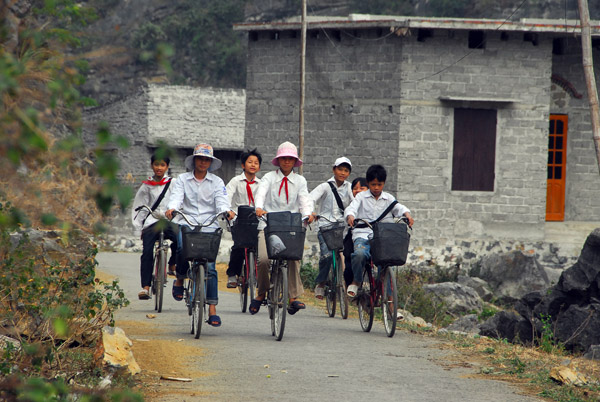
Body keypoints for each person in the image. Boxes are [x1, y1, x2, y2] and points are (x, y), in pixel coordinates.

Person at [165, 143, 233, 328]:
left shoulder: (217, 182)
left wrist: (226, 211)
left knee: (210, 267)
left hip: (209, 225)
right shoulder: (182, 179)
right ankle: (180, 278)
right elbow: (176, 197)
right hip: (186, 222)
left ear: (210, 162)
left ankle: (212, 310)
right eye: (200, 158)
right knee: (180, 247)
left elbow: (221, 200)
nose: (203, 162)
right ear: (194, 160)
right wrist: (172, 208)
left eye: (206, 159)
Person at [251, 141, 315, 315]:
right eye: (283, 158)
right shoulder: (269, 178)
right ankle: (261, 292)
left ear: (295, 161)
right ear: (278, 160)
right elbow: (261, 193)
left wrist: (307, 214)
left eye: (290, 159)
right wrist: (258, 207)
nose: (287, 162)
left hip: (291, 227)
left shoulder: (300, 180)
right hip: (269, 225)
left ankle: (293, 297)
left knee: (293, 258)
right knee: (263, 260)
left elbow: (304, 200)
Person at [344, 164, 414, 298]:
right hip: (363, 235)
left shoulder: (389, 199)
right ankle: (357, 281)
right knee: (359, 254)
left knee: (388, 266)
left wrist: (407, 215)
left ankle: (391, 303)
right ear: (369, 183)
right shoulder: (361, 197)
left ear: (384, 183)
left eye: (379, 184)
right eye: (373, 184)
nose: (376, 188)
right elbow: (351, 208)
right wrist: (350, 216)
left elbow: (399, 208)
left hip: (383, 239)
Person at [131, 153, 178, 300]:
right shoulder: (146, 186)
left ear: (167, 167)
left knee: (180, 239)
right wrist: (139, 226)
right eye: (156, 164)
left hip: (169, 219)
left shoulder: (174, 183)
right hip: (152, 221)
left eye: (162, 165)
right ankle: (145, 287)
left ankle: (172, 264)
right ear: (152, 165)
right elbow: (138, 206)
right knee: (146, 252)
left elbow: (179, 200)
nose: (159, 168)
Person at [309, 157, 354, 300]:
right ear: (334, 169)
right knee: (327, 255)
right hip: (325, 226)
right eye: (340, 169)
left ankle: (345, 284)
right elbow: (311, 198)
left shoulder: (349, 187)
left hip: (342, 227)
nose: (343, 173)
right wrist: (310, 212)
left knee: (347, 255)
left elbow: (355, 203)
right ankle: (321, 283)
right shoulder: (325, 186)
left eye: (346, 170)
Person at [224, 148, 262, 288]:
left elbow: (266, 199)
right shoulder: (235, 181)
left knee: (259, 247)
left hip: (255, 220)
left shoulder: (262, 184)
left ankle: (255, 274)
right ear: (242, 165)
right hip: (238, 219)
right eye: (250, 162)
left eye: (256, 163)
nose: (253, 165)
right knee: (239, 246)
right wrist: (228, 210)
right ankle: (232, 274)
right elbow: (226, 196)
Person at [342, 177, 368, 287]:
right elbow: (349, 211)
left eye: (361, 188)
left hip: (373, 236)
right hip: (355, 235)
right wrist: (350, 217)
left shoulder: (376, 202)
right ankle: (353, 283)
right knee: (350, 258)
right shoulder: (353, 203)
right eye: (355, 188)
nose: (357, 191)